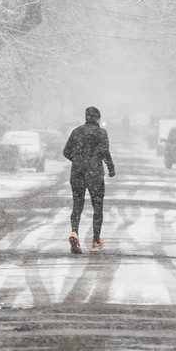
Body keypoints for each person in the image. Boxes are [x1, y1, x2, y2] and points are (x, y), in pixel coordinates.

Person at [62, 106, 115, 254]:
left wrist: (78, 160)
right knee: (97, 207)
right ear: (98, 118)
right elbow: (105, 152)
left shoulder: (76, 131)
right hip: (95, 175)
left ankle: (74, 231)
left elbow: (66, 151)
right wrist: (110, 167)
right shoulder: (101, 133)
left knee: (77, 205)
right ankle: (96, 239)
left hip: (77, 173)